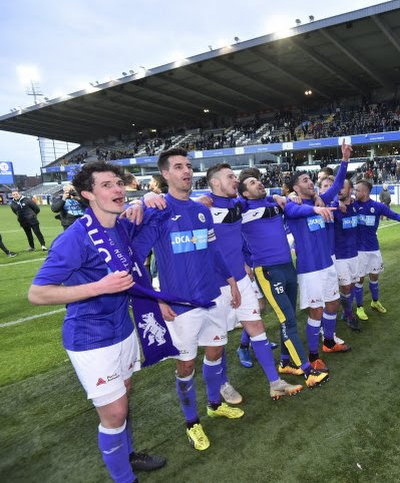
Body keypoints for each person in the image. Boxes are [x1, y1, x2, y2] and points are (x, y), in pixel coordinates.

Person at [28, 161, 166, 482]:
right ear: (88, 194)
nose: (117, 189)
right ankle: (123, 478)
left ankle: (128, 455)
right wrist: (99, 287)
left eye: (118, 183)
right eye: (107, 185)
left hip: (123, 330)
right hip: (89, 338)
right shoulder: (74, 239)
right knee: (115, 412)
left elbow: (158, 220)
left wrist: (146, 201)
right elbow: (37, 293)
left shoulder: (121, 225)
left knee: (125, 399)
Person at [133, 148, 244, 452]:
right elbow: (137, 258)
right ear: (165, 174)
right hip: (180, 305)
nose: (186, 172)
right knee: (185, 364)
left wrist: (232, 282)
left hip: (212, 295)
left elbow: (213, 251)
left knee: (217, 350)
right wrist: (156, 298)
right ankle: (191, 422)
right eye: (178, 167)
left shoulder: (201, 210)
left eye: (189, 166)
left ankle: (213, 404)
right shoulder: (156, 211)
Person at [199, 163, 303, 400]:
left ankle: (275, 382)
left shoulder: (238, 203)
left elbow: (259, 201)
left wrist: (280, 195)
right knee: (218, 341)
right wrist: (149, 199)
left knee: (257, 327)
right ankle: (222, 384)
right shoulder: (203, 207)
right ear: (215, 183)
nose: (235, 180)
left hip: (241, 279)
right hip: (216, 284)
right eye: (230, 177)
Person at [237, 168, 330, 389]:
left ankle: (286, 362)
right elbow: (228, 236)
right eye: (251, 183)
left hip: (288, 266)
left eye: (258, 180)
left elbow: (294, 208)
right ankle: (308, 372)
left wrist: (282, 197)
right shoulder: (242, 208)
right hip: (268, 271)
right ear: (245, 193)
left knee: (288, 317)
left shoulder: (273, 202)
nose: (258, 183)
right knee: (287, 320)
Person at [284, 145, 352, 371]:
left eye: (310, 179)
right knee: (317, 310)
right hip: (310, 269)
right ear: (295, 187)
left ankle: (329, 342)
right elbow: (296, 213)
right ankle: (313, 356)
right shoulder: (293, 206)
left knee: (333, 303)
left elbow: (336, 184)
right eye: (304, 180)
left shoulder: (320, 199)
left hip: (327, 265)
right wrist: (313, 209)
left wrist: (344, 160)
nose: (310, 182)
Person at [350, 179, 400, 320]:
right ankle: (359, 307)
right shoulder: (352, 204)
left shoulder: (377, 206)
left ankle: (375, 301)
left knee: (374, 276)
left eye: (358, 190)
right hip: (359, 250)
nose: (355, 192)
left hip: (373, 247)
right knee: (359, 279)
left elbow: (393, 214)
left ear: (365, 192)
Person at [332, 179, 361, 331]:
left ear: (350, 190)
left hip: (354, 254)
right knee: (345, 287)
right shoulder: (334, 207)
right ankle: (349, 315)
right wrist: (336, 202)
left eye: (343, 187)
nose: (339, 190)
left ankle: (345, 311)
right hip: (340, 255)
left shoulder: (355, 205)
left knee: (352, 285)